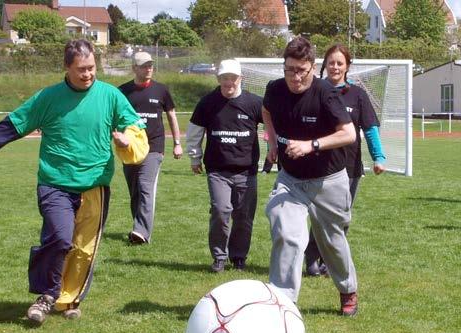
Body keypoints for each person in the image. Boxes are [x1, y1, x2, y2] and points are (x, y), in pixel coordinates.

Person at [0, 40, 148, 324]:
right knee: (59, 238)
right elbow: (13, 125)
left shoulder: (110, 95)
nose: (88, 74)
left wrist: (127, 139)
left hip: (95, 185)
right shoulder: (48, 98)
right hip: (55, 182)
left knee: (83, 248)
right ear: (66, 67)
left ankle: (70, 300)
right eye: (81, 69)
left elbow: (134, 125)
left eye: (91, 68)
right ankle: (46, 295)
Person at [262, 36, 359, 316]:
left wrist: (311, 145)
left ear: (312, 67)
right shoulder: (275, 89)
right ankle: (283, 303)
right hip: (291, 180)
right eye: (289, 69)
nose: (294, 77)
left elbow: (349, 134)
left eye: (300, 70)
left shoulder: (326, 93)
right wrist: (271, 143)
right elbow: (266, 111)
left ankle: (347, 289)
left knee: (332, 242)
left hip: (328, 181)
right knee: (286, 232)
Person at [304, 43, 386, 277]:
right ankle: (312, 258)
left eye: (340, 63)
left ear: (347, 66)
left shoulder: (358, 95)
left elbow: (370, 129)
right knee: (319, 217)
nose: (335, 67)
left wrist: (378, 157)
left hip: (349, 168)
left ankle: (331, 262)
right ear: (324, 65)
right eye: (331, 62)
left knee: (341, 218)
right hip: (317, 166)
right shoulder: (314, 90)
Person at [186, 59, 263, 272]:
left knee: (243, 217)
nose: (229, 82)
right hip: (218, 170)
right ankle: (219, 256)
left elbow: (273, 124)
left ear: (240, 79)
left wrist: (273, 143)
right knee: (221, 211)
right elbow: (194, 132)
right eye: (224, 78)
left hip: (247, 172)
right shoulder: (207, 103)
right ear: (218, 79)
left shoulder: (254, 103)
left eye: (233, 78)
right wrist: (195, 157)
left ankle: (238, 256)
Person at [118, 51, 182, 244]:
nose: (149, 69)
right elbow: (114, 118)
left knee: (146, 186)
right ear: (134, 68)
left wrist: (177, 143)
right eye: (144, 66)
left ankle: (141, 232)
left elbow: (171, 116)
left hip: (154, 147)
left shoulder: (161, 90)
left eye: (151, 65)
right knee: (135, 190)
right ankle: (139, 226)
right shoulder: (122, 91)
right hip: (130, 149)